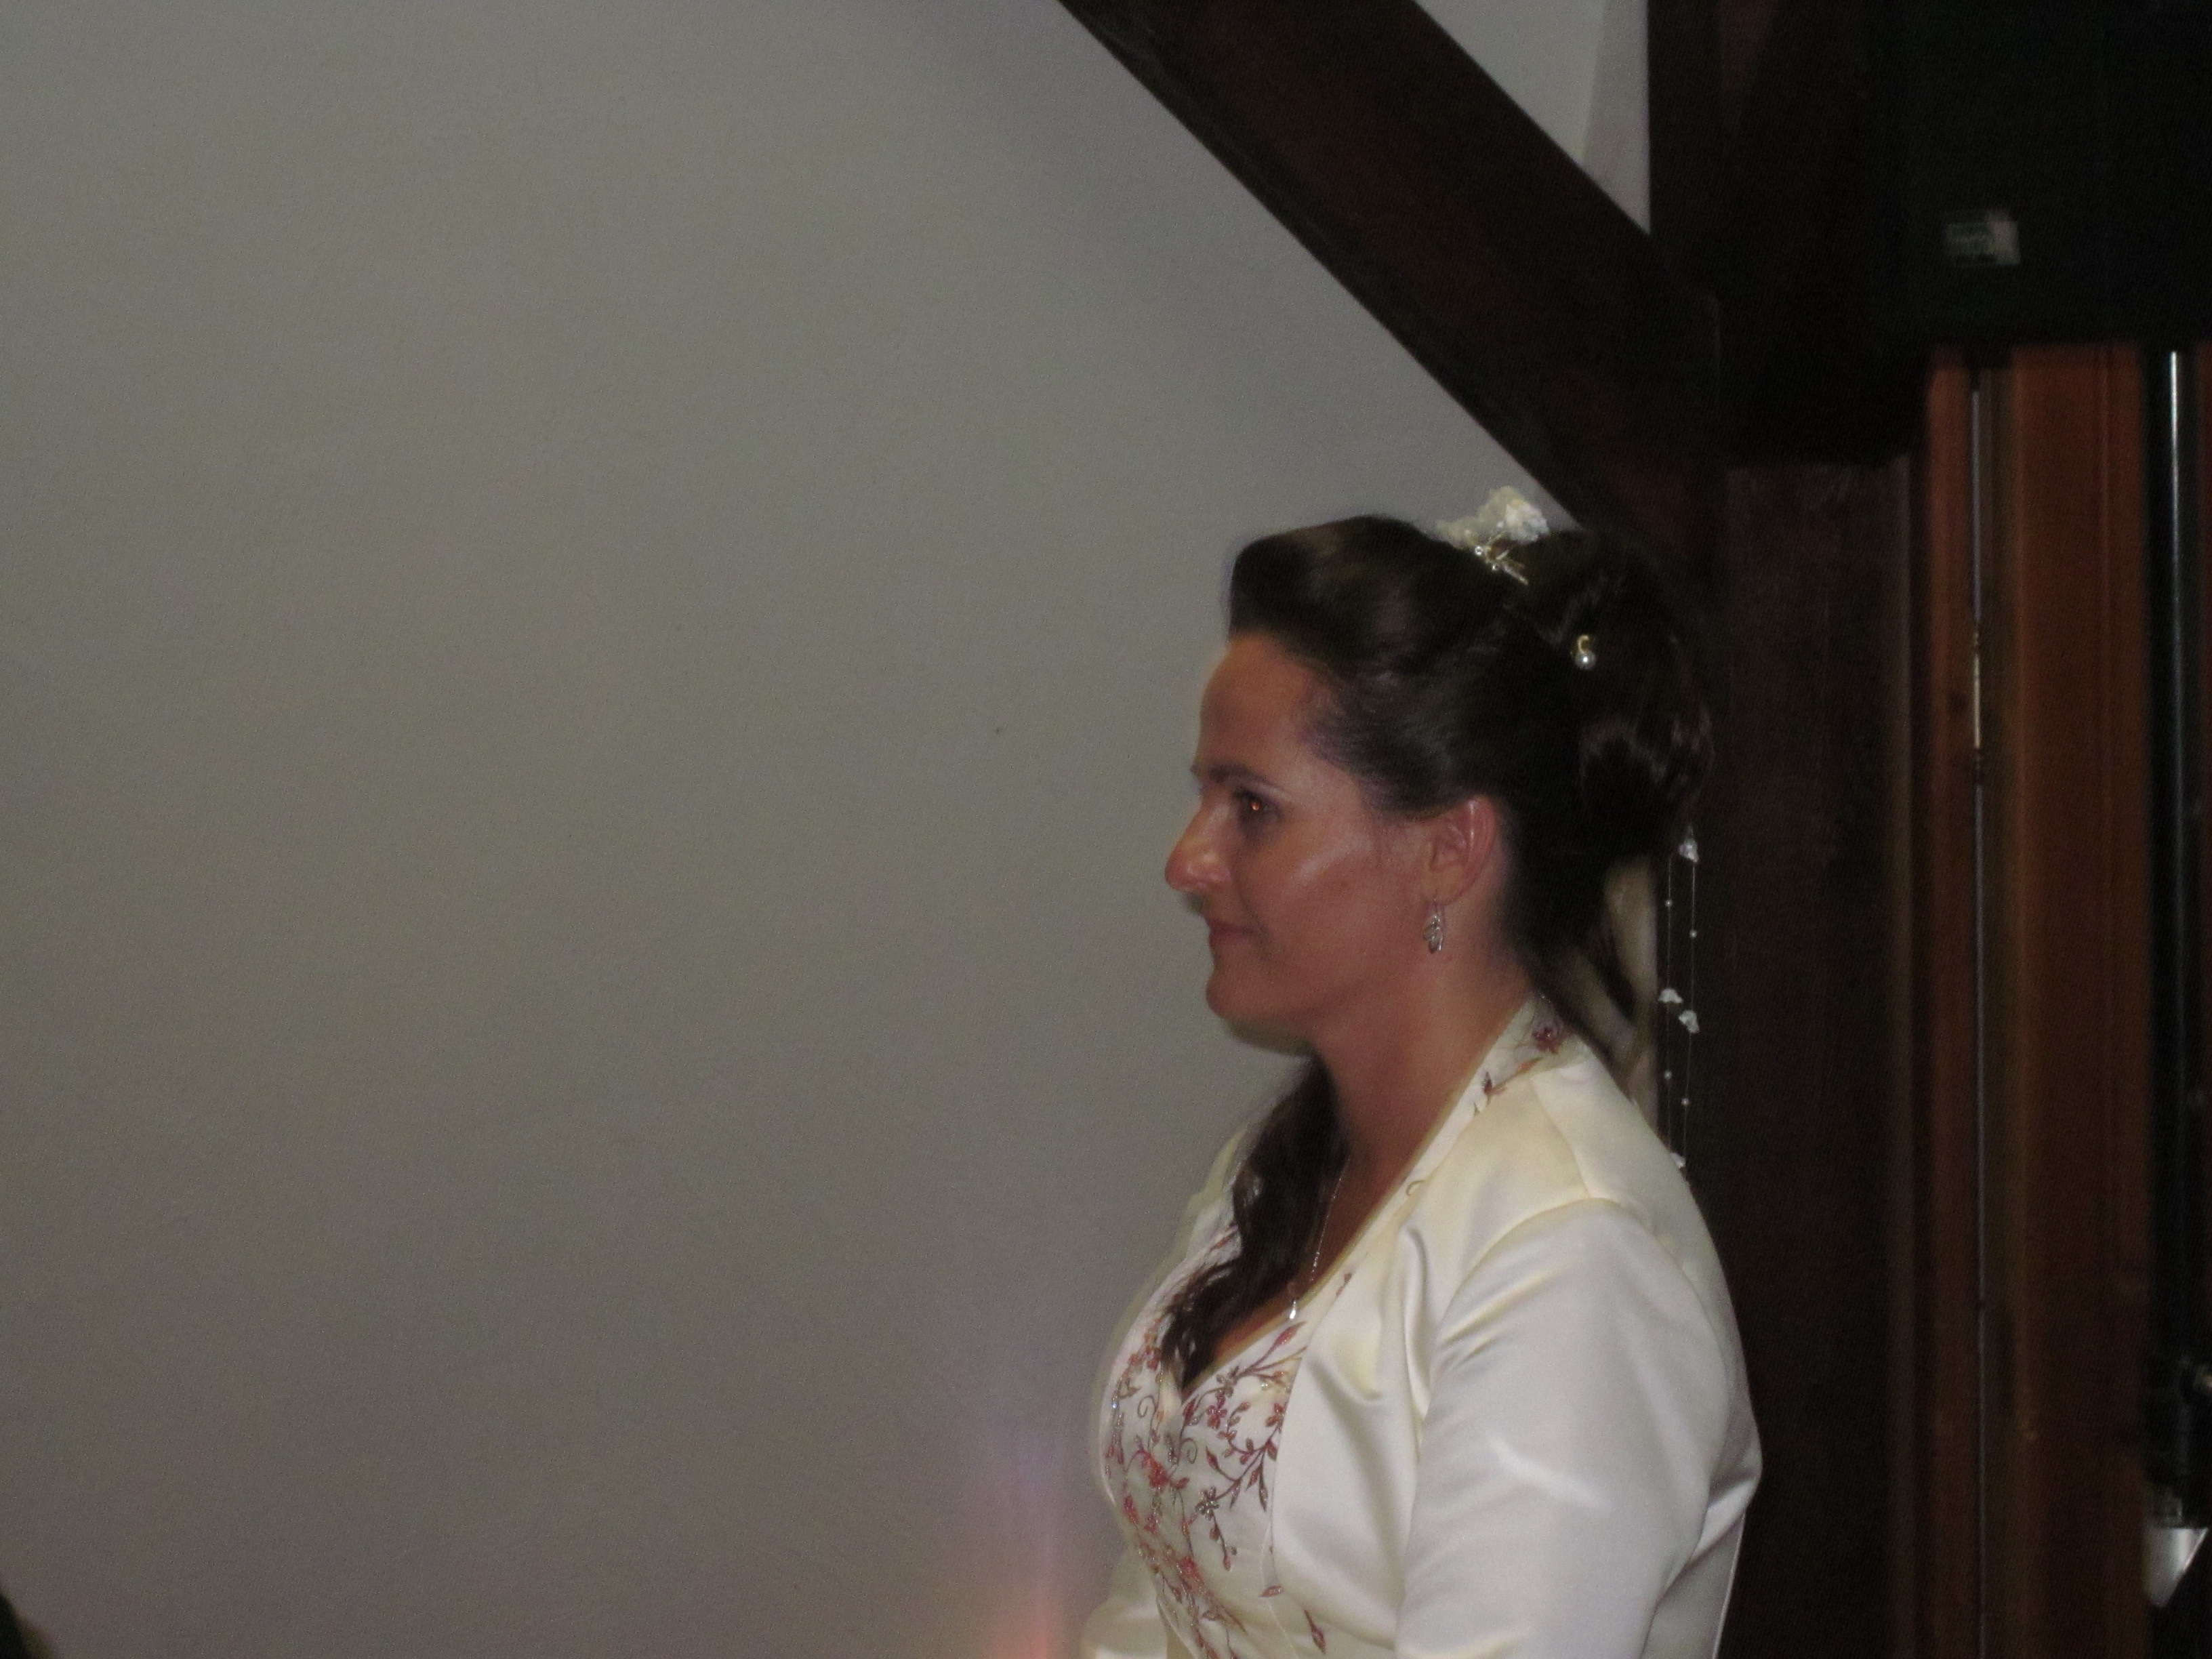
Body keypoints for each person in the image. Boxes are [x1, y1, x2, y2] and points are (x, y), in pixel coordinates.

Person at [1079, 495, 1759, 1659]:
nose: (1188, 861)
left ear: (1449, 847)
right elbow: (1161, 1594)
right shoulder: (1283, 1165)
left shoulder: (1572, 1249)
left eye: (1253, 808)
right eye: (1206, 798)